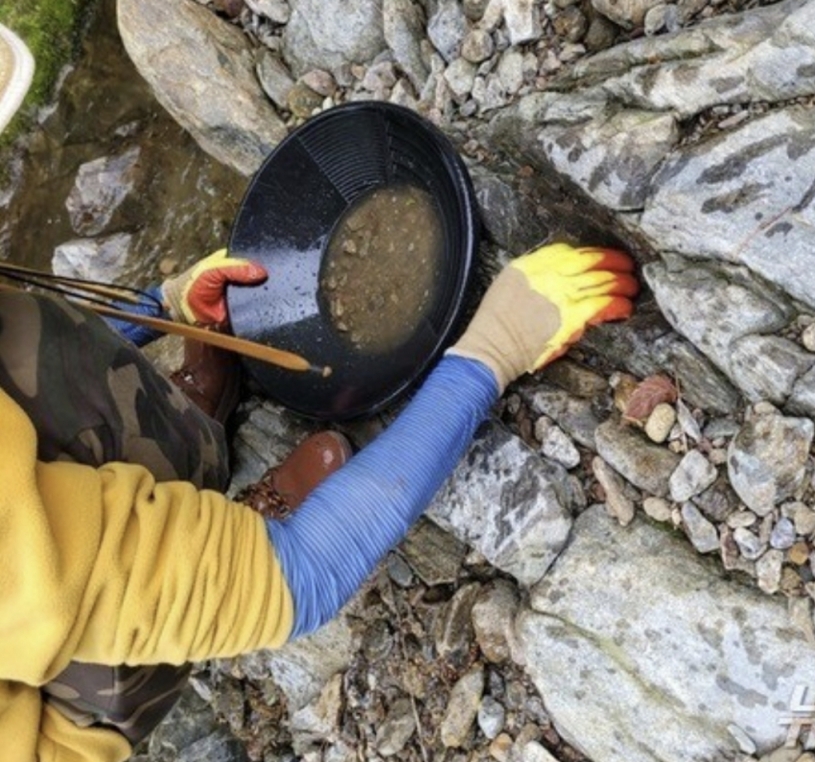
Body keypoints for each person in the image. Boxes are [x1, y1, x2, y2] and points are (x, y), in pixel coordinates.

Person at [0, 22, 639, 762]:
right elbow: (303, 575)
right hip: (56, 708)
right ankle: (214, 529)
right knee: (127, 645)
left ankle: (169, 460)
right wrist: (493, 351)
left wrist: (155, 309)